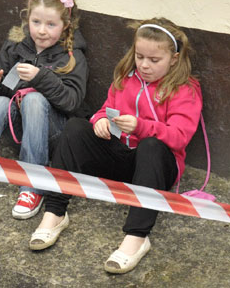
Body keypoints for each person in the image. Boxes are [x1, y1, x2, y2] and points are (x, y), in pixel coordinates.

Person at [29, 17, 202, 274]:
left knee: (152, 145)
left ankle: (137, 237)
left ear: (174, 59)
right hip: (122, 160)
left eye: (154, 60)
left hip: (156, 170)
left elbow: (179, 137)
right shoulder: (125, 77)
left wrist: (142, 126)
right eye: (140, 56)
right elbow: (104, 110)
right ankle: (55, 213)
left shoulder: (184, 90)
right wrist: (100, 121)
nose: (144, 65)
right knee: (77, 127)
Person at [0, 0, 89, 219]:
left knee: (35, 99)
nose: (42, 31)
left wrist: (40, 78)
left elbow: (72, 102)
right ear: (27, 19)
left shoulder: (72, 55)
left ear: (66, 25)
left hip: (53, 133)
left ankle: (32, 186)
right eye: (36, 22)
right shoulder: (16, 47)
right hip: (20, 129)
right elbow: (0, 85)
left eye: (51, 24)